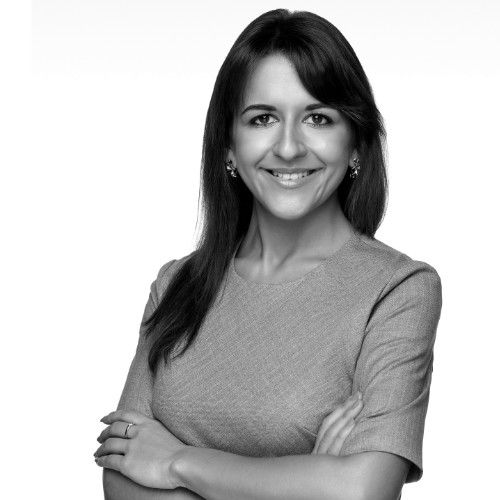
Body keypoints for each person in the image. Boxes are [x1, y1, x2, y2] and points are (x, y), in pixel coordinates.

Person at [94, 8, 442, 500]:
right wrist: (307, 479)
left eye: (318, 118)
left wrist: (176, 462)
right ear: (228, 147)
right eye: (262, 118)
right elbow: (119, 475)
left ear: (356, 144)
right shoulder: (175, 285)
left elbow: (362, 492)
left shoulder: (398, 290)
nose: (289, 147)